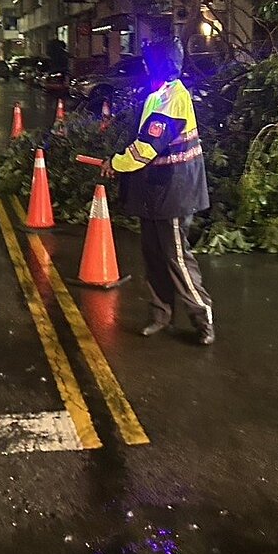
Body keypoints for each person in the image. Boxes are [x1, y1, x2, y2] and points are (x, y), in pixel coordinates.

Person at [101, 38, 215, 345]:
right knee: (153, 255)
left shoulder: (174, 99)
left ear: (160, 65)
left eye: (149, 62)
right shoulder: (158, 94)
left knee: (176, 257)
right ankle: (160, 315)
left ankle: (202, 318)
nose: (145, 67)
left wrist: (116, 162)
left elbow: (147, 148)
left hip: (174, 191)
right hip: (155, 190)